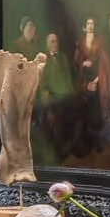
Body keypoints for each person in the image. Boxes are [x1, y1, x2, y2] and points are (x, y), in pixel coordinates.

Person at [77, 15, 110, 150]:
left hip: (99, 81)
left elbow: (105, 64)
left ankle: (101, 143)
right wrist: (83, 67)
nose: (91, 25)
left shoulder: (100, 41)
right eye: (88, 23)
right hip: (85, 81)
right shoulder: (80, 43)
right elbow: (75, 63)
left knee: (99, 111)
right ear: (84, 27)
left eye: (93, 23)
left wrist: (96, 80)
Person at [36, 31, 75, 166]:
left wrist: (71, 94)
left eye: (56, 41)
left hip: (65, 99)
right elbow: (42, 86)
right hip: (52, 100)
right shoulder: (44, 61)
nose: (55, 44)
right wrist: (47, 106)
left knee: (67, 127)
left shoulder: (62, 58)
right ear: (47, 45)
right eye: (52, 42)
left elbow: (68, 79)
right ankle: (57, 159)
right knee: (55, 128)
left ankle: (65, 155)